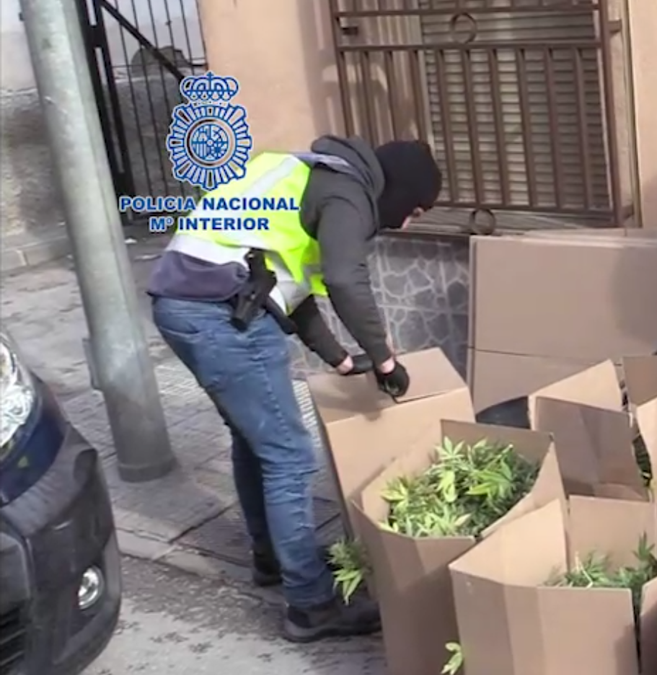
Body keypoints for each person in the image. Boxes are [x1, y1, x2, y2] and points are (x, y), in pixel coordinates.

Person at [146, 135, 443, 641]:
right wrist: (387, 360)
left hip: (196, 301)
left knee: (254, 438)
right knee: (289, 455)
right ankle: (310, 605)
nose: (406, 223)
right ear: (399, 191)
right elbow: (347, 282)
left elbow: (286, 287)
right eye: (413, 211)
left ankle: (273, 558)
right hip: (217, 312)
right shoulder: (348, 196)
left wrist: (342, 358)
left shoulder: (313, 177)